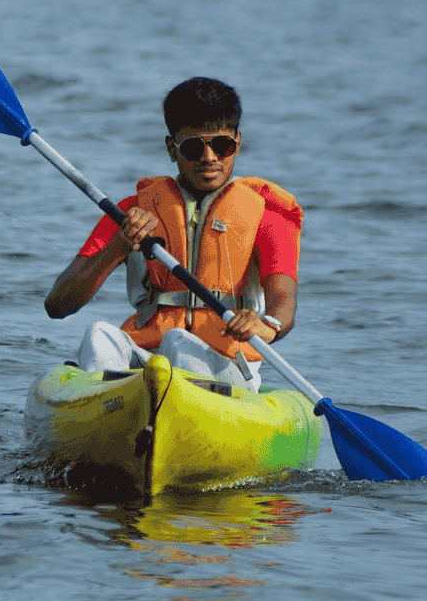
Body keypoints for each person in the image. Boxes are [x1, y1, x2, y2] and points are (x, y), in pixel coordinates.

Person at [43, 77, 303, 392]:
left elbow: (283, 301)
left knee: (181, 343)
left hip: (225, 366)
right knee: (100, 335)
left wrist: (266, 325)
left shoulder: (266, 216)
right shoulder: (130, 212)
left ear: (238, 143)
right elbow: (57, 305)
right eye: (194, 147)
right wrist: (118, 247)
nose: (209, 157)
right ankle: (108, 409)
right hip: (147, 353)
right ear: (172, 149)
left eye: (222, 146)